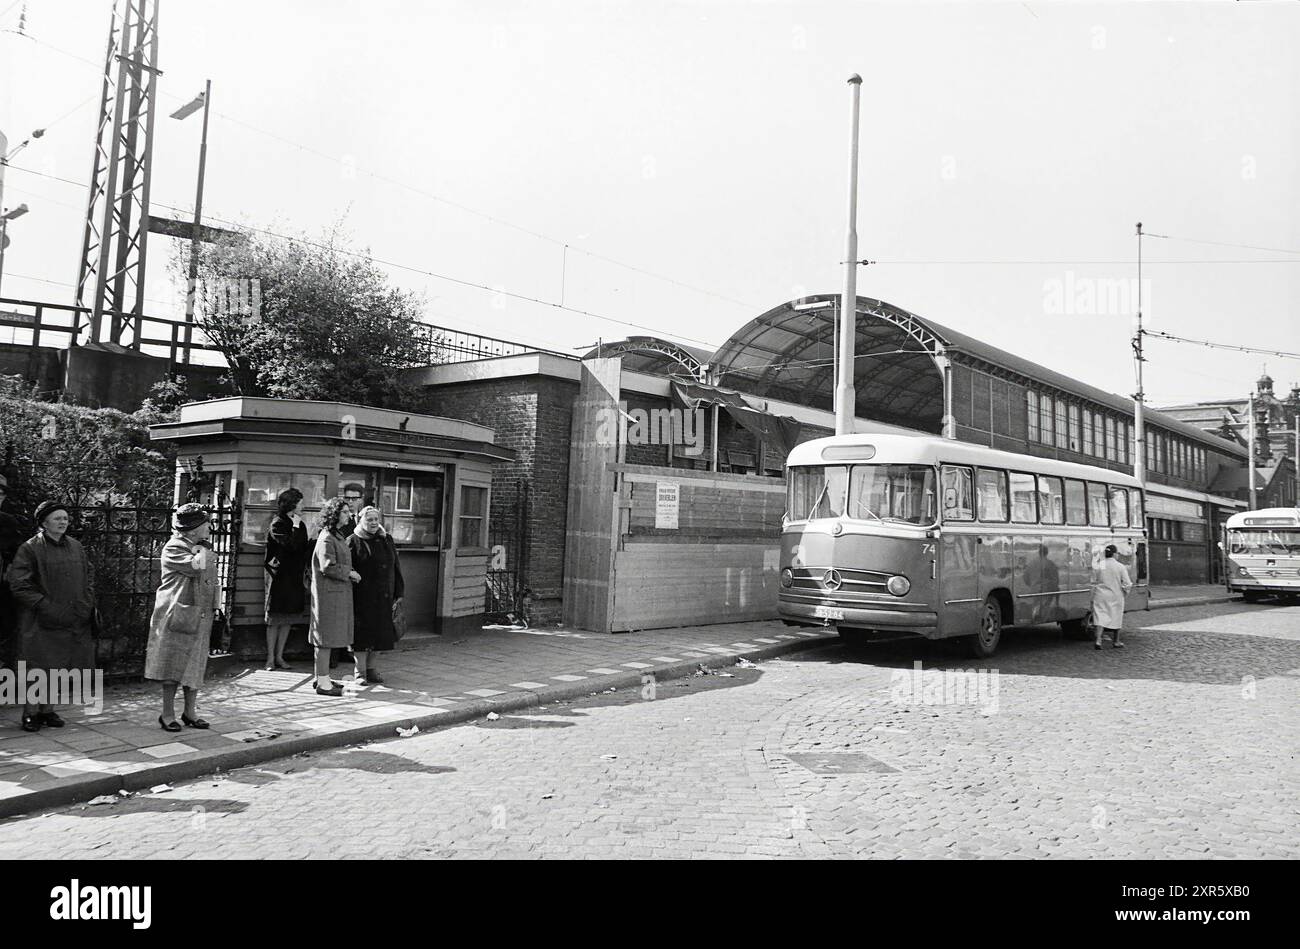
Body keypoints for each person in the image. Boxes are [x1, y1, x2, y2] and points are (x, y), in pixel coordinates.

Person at [7, 500, 96, 732]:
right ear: (44, 523)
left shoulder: (76, 546)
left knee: (59, 667)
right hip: (40, 620)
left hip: (72, 619)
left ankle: (48, 710)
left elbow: (89, 576)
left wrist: (86, 603)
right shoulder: (29, 548)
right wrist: (46, 606)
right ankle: (30, 712)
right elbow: (19, 585)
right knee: (37, 667)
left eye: (65, 518)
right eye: (57, 518)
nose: (63, 522)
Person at [144, 503, 219, 731]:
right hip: (178, 615)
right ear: (194, 528)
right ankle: (167, 714)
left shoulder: (199, 546)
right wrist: (205, 550)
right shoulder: (175, 547)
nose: (210, 527)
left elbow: (212, 578)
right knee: (172, 665)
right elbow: (197, 567)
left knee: (194, 665)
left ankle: (190, 712)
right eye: (206, 523)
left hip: (200, 614)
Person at [347, 506, 404, 685]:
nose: (373, 523)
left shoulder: (386, 539)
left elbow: (396, 566)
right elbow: (348, 567)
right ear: (360, 521)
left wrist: (398, 592)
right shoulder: (352, 540)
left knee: (380, 634)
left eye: (375, 519)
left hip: (384, 595)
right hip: (362, 596)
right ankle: (360, 671)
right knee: (362, 636)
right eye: (369, 519)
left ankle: (372, 669)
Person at [310, 497, 360, 696]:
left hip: (334, 594)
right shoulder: (327, 538)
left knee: (326, 638)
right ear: (335, 514)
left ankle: (321, 678)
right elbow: (327, 566)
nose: (349, 515)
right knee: (325, 639)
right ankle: (323, 683)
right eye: (345, 512)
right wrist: (349, 573)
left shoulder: (335, 535)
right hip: (328, 596)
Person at [263, 488, 309, 671]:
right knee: (275, 618)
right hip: (279, 577)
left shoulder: (300, 524)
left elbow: (302, 547)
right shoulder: (278, 523)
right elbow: (289, 545)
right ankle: (270, 658)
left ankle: (280, 656)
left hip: (294, 576)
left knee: (288, 618)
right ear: (292, 504)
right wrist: (296, 527)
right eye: (300, 502)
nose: (303, 506)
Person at [1091, 543, 1133, 650]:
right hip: (1115, 595)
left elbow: (1093, 581)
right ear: (1114, 554)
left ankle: (1098, 640)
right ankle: (1116, 641)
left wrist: (1093, 594)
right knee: (1116, 617)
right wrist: (1124, 592)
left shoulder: (1099, 565)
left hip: (1100, 595)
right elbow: (1127, 583)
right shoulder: (1120, 566)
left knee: (1100, 617)